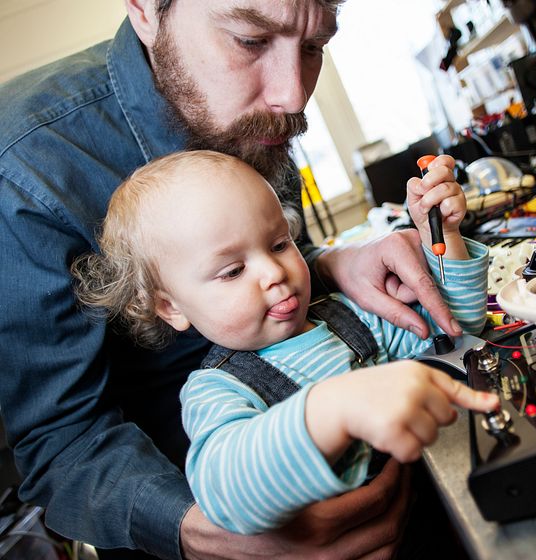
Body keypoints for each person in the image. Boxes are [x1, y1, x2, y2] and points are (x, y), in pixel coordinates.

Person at [0, 1, 464, 559]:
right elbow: (62, 444)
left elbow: (265, 253)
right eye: (249, 40)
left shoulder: (254, 109)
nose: (292, 97)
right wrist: (206, 534)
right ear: (147, 11)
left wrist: (327, 263)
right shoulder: (23, 166)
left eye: (314, 47)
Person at [71, 149, 498, 536]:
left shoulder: (349, 315)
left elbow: (452, 331)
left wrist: (446, 237)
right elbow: (227, 495)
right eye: (233, 270)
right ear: (171, 307)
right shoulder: (216, 391)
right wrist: (330, 409)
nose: (273, 272)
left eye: (279, 244)